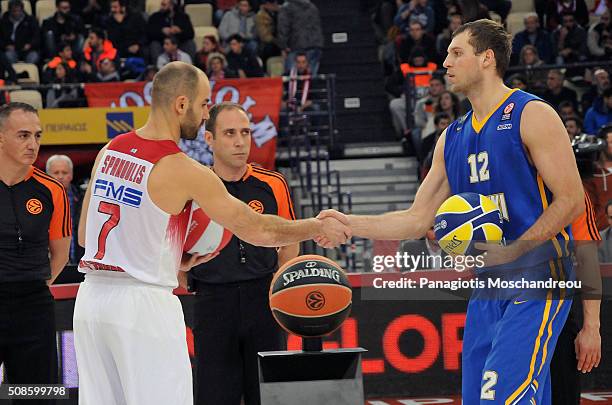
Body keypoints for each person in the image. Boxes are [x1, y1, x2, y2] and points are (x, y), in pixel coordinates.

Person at [318, 19, 585, 405]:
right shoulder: (452, 137)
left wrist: (515, 250)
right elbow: (416, 218)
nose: (445, 62)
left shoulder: (532, 114)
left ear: (487, 58)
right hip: (489, 280)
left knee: (502, 396)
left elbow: (572, 200)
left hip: (540, 274)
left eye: (457, 53)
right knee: (479, 397)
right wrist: (349, 223)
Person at [73, 61, 349, 405]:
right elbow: (258, 228)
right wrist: (317, 226)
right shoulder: (183, 169)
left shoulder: (109, 150)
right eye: (204, 103)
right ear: (181, 104)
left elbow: (85, 234)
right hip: (141, 306)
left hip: (91, 303)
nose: (206, 113)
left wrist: (171, 252)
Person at [186, 102, 299, 405]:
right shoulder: (194, 188)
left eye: (246, 132)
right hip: (212, 302)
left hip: (264, 298)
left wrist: (280, 289)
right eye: (230, 133)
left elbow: (290, 240)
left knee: (269, 392)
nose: (240, 141)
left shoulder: (272, 183)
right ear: (209, 139)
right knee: (214, 395)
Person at [0, 103, 71, 402]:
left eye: (37, 136)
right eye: (23, 135)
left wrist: (36, 284)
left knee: (38, 394)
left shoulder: (52, 190)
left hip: (33, 305)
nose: (33, 144)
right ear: (1, 137)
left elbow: (61, 253)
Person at [46, 154, 84, 265]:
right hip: (49, 265)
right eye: (56, 173)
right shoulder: (38, 200)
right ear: (48, 175)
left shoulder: (83, 198)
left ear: (71, 175)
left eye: (64, 172)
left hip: (79, 263)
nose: (60, 176)